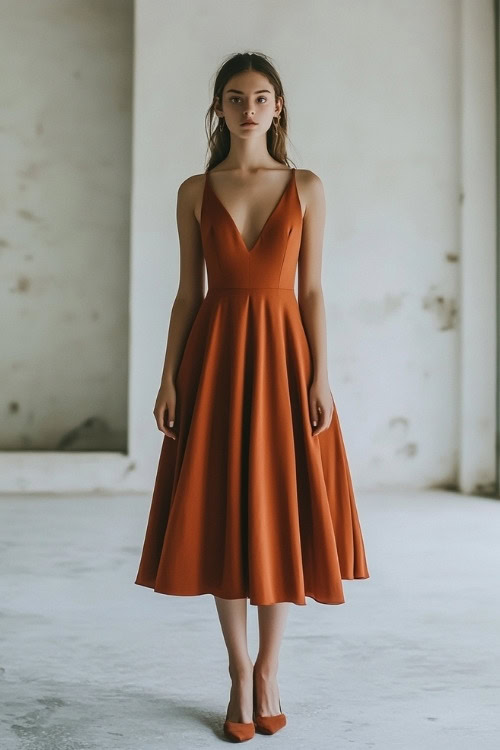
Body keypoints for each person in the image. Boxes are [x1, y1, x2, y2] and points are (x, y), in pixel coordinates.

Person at [135, 51, 369, 743]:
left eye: (261, 97)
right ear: (219, 108)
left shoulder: (307, 185)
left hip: (284, 359)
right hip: (216, 361)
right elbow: (187, 295)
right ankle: (238, 672)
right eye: (235, 97)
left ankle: (271, 666)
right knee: (221, 512)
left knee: (279, 514)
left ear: (278, 108)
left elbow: (314, 291)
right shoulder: (194, 190)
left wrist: (321, 375)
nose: (248, 108)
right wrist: (169, 376)